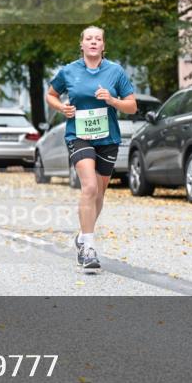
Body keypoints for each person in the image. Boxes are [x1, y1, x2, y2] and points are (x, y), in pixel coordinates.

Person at [45, 26, 137, 270]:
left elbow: (132, 106)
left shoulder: (115, 71)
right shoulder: (69, 71)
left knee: (100, 192)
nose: (93, 42)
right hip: (79, 135)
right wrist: (61, 108)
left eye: (98, 39)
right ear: (82, 45)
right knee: (90, 186)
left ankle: (82, 235)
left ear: (103, 45)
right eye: (89, 39)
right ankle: (88, 247)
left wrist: (113, 100)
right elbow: (51, 94)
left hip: (107, 137)